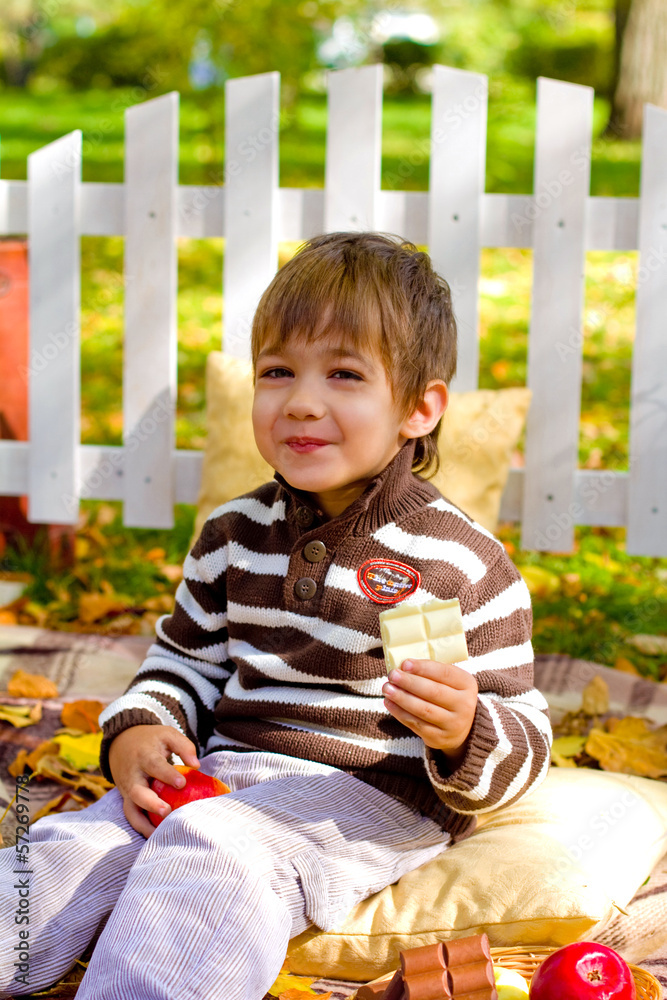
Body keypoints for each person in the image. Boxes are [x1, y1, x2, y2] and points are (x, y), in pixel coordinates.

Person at [0, 232, 552, 1000]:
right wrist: (136, 732)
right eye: (277, 371)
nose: (300, 399)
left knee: (217, 853)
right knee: (67, 847)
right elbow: (183, 663)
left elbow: (523, 734)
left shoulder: (455, 560)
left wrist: (466, 731)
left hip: (369, 794)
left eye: (344, 375)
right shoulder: (233, 535)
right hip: (222, 773)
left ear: (418, 409)